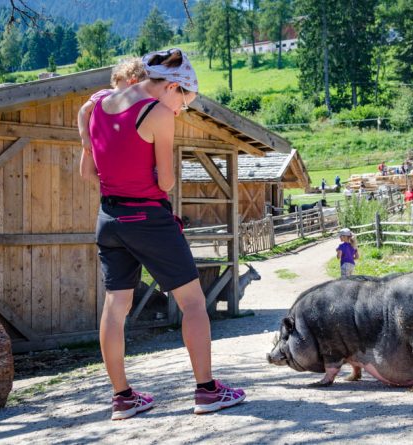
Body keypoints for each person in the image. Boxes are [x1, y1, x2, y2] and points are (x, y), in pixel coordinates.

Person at [80, 48, 245, 421]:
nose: (182, 108)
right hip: (148, 219)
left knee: (115, 307)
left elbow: (90, 167)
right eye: (184, 99)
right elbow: (167, 180)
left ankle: (122, 398)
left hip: (109, 217)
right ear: (172, 86)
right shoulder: (157, 113)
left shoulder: (102, 104)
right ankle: (207, 391)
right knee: (192, 303)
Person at [78, 58, 147, 158]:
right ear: (133, 81)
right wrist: (84, 137)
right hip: (96, 145)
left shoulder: (130, 102)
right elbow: (83, 111)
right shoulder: (103, 95)